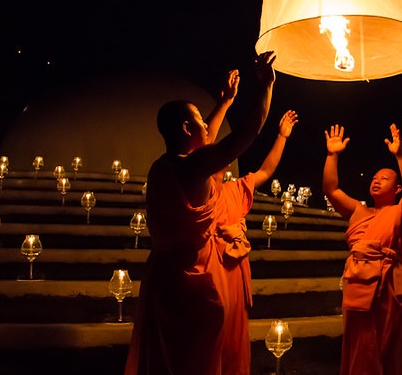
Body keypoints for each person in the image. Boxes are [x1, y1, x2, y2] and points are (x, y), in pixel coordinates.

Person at [124, 51, 276, 375]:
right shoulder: (190, 168)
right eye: (199, 121)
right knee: (194, 360)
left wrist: (224, 103)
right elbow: (246, 135)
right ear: (184, 126)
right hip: (192, 281)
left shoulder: (162, 166)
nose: (206, 126)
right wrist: (266, 88)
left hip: (163, 276)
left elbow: (204, 142)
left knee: (167, 357)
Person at [323, 123, 402, 375]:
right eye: (374, 178)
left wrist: (400, 156)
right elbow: (331, 189)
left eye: (384, 178)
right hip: (358, 283)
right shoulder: (359, 211)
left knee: (387, 342)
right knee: (360, 343)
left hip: (388, 284)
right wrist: (332, 155)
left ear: (397, 188)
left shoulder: (401, 210)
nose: (376, 181)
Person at [212, 109, 298, 375]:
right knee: (211, 328)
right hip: (210, 266)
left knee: (234, 328)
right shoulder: (198, 192)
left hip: (235, 269)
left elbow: (266, 170)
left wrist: (282, 136)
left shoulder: (235, 189)